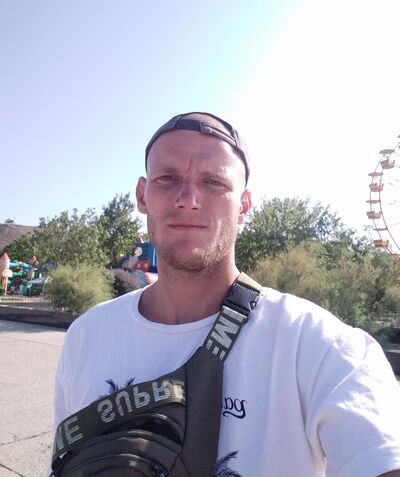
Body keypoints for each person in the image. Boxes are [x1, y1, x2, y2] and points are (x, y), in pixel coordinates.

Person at [52, 112, 400, 476]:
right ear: (142, 195)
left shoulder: (321, 348)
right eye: (167, 178)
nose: (188, 199)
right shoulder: (85, 336)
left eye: (214, 182)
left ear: (244, 206)